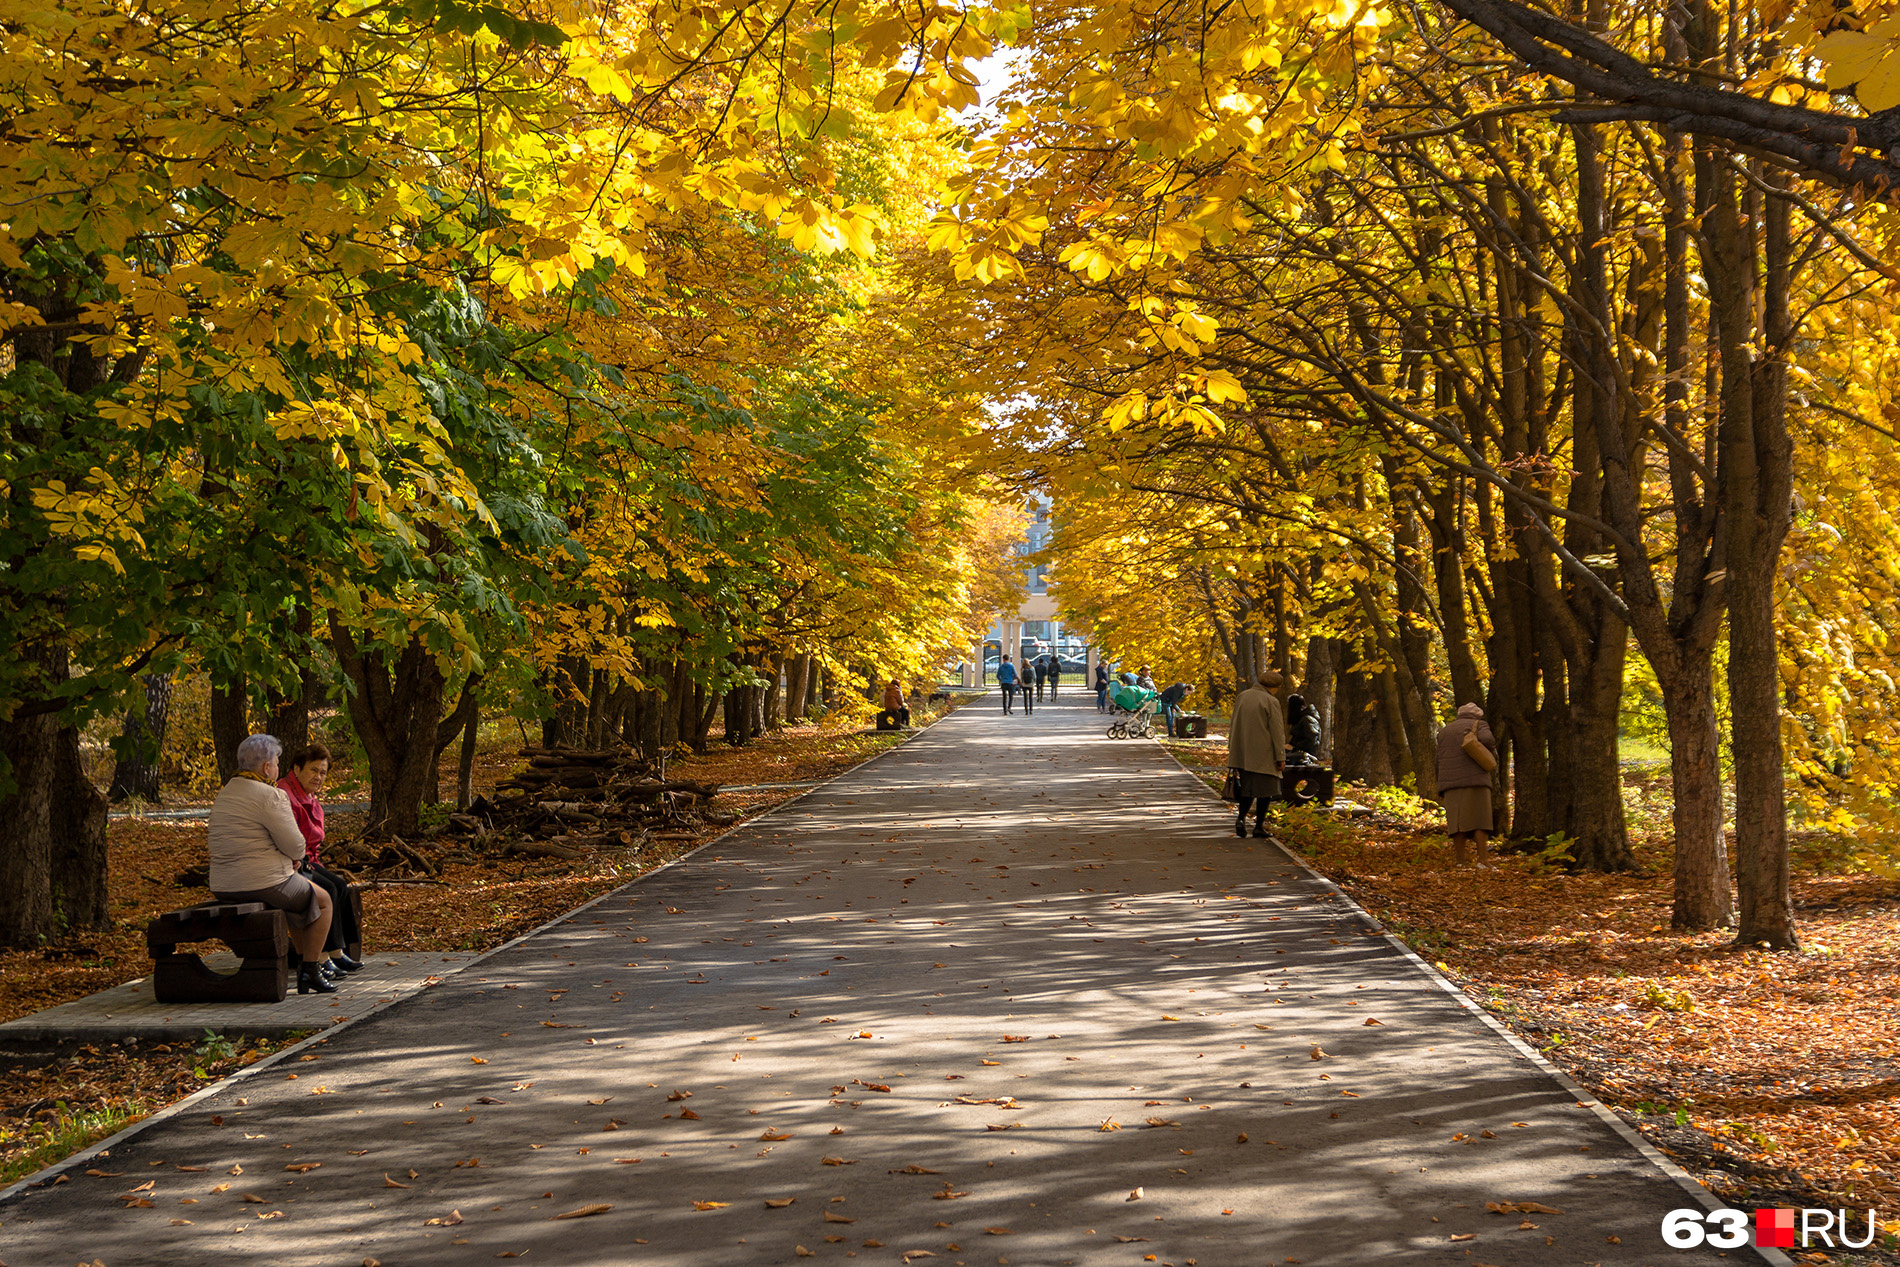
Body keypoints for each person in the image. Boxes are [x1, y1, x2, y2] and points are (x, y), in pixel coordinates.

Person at [209, 734, 337, 995]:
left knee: (296, 902)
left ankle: (305, 966)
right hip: (261, 883)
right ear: (267, 767)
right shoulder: (271, 795)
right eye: (277, 762)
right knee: (323, 900)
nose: (278, 768)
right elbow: (296, 847)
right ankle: (311, 969)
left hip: (222, 884)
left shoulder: (225, 793)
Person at [276, 743, 364, 979]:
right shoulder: (285, 794)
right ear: (296, 768)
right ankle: (322, 958)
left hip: (307, 860)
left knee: (340, 885)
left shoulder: (308, 795)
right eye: (314, 770)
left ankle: (337, 952)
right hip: (289, 863)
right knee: (328, 890)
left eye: (323, 773)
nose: (319, 777)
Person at [1225, 670, 1287, 838]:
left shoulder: (1243, 696)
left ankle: (1240, 819)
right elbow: (1277, 731)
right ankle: (1259, 826)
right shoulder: (1271, 701)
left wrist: (1233, 749)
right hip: (1264, 755)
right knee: (1265, 792)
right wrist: (1280, 757)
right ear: (1274, 687)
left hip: (1243, 753)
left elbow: (1234, 723)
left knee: (1247, 789)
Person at [1436, 702, 1498, 865]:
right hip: (1475, 779)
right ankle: (1483, 861)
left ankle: (1460, 861)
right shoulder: (1479, 724)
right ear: (1477, 715)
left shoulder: (1444, 731)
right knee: (1480, 821)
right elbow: (1487, 739)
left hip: (1450, 783)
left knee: (1456, 824)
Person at [1285, 692, 1323, 765]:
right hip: (1298, 754)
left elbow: (1311, 742)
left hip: (1305, 756)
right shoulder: (1301, 719)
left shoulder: (1307, 720)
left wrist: (1293, 747)